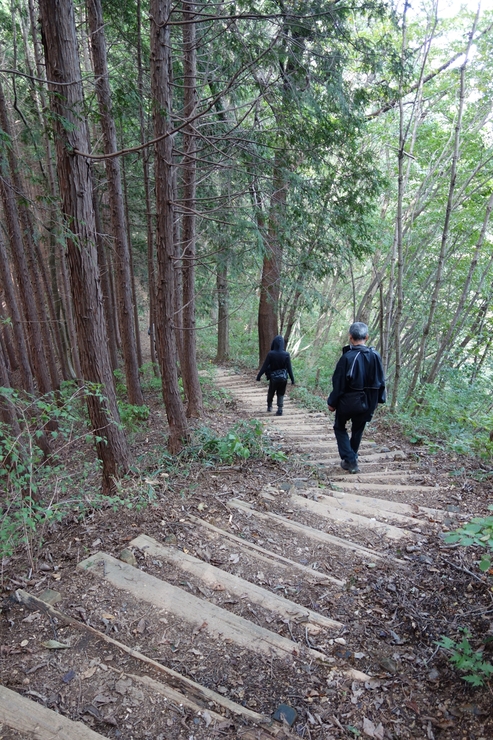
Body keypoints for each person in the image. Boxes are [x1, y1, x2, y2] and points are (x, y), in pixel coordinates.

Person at [327, 322, 386, 473]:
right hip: (369, 402)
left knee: (339, 427)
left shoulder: (348, 357)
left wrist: (332, 402)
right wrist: (379, 399)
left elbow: (339, 382)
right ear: (366, 337)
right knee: (358, 429)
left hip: (348, 402)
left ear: (350, 337)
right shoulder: (375, 356)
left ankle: (350, 459)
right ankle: (350, 459)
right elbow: (381, 380)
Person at [256, 335, 295, 416]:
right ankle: (280, 409)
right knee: (281, 393)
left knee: (271, 392)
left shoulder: (271, 354)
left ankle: (269, 406)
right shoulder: (286, 354)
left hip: (273, 377)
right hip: (283, 378)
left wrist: (259, 376)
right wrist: (292, 379)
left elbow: (265, 366)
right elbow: (289, 368)